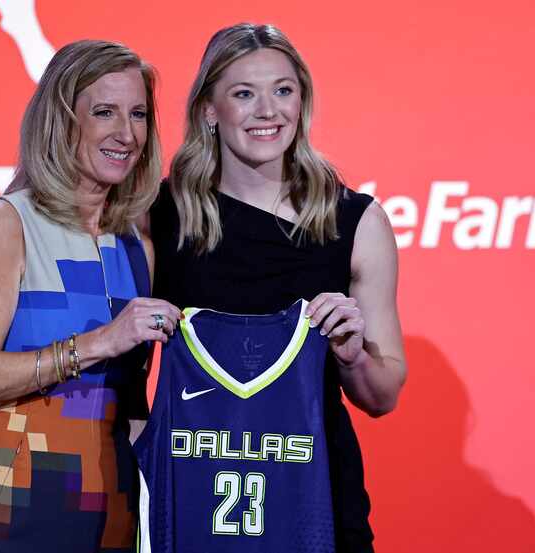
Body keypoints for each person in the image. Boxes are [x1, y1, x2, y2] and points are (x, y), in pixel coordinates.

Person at [151, 23, 407, 552]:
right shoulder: (159, 217)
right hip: (190, 494)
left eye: (283, 90)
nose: (268, 111)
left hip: (315, 496)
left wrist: (353, 355)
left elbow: (382, 397)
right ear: (208, 111)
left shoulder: (355, 221)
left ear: (302, 101)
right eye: (244, 94)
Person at [0, 40, 180, 553]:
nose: (126, 133)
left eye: (138, 114)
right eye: (104, 112)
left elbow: (132, 401)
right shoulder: (9, 222)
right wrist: (96, 343)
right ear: (61, 120)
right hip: (11, 501)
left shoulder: (138, 243)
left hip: (111, 504)